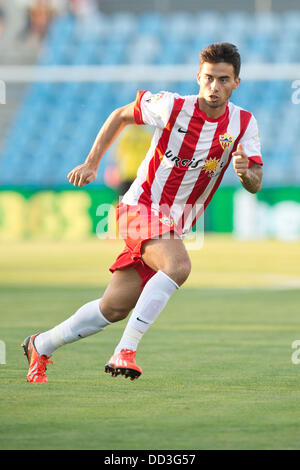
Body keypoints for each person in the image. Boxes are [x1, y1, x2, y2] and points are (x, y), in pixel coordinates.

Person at [22, 43, 263, 383]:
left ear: (236, 82)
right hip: (139, 208)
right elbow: (121, 114)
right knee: (179, 265)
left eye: (223, 80)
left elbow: (255, 182)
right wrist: (92, 164)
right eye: (208, 78)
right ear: (198, 77)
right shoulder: (173, 106)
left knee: (113, 308)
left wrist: (243, 173)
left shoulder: (244, 124)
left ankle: (41, 344)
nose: (214, 87)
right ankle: (125, 350)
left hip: (172, 226)